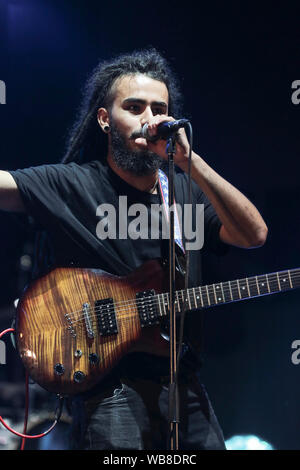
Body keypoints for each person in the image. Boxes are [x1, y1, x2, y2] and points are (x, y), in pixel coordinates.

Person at [0, 49, 268, 450]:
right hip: (111, 389)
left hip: (183, 385)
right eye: (134, 106)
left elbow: (254, 235)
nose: (150, 118)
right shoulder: (74, 184)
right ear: (105, 119)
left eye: (159, 108)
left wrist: (190, 162)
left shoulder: (183, 191)